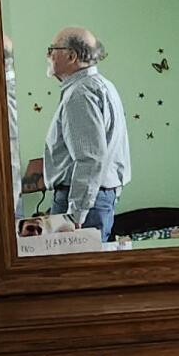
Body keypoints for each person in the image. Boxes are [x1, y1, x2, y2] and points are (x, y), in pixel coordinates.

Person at [41, 26, 130, 240]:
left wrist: (75, 215)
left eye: (52, 49)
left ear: (71, 56)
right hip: (97, 198)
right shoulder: (102, 86)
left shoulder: (79, 94)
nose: (48, 55)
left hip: (81, 203)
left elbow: (90, 158)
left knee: (73, 272)